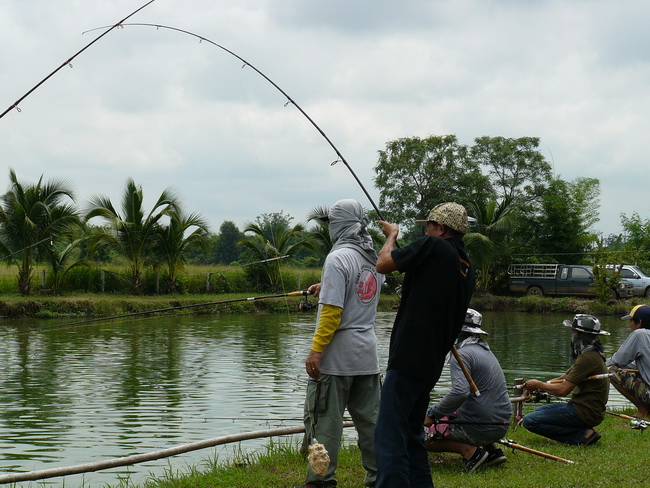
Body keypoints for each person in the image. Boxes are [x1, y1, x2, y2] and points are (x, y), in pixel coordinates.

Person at [373, 202, 475, 488]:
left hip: (408, 358)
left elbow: (383, 264)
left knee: (389, 432)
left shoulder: (433, 247)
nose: (426, 232)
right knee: (411, 434)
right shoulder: (465, 264)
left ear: (440, 229)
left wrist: (391, 235)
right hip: (430, 362)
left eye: (428, 227)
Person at [297, 199, 385, 488]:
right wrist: (327, 285)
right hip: (367, 357)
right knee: (371, 425)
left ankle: (320, 481)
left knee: (326, 423)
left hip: (336, 359)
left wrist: (316, 350)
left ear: (339, 225)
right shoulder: (374, 259)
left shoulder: (337, 259)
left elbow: (333, 312)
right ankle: (379, 479)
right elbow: (361, 291)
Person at [423, 308, 511, 473]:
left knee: (421, 436)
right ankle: (493, 451)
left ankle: (471, 452)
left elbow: (460, 392)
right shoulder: (485, 350)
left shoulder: (462, 355)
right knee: (464, 407)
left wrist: (432, 414)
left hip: (482, 427)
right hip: (500, 424)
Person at [522, 314, 609, 445]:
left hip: (585, 412)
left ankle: (583, 435)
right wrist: (539, 388)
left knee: (529, 420)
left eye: (573, 332)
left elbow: (563, 390)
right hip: (584, 408)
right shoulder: (590, 353)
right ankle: (583, 431)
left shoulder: (588, 358)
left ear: (579, 334)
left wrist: (538, 383)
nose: (572, 335)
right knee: (540, 411)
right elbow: (564, 378)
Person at [606, 304, 650, 419]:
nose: (629, 324)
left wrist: (598, 364)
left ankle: (643, 411)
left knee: (611, 372)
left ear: (639, 322)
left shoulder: (640, 334)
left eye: (631, 321)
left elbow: (617, 361)